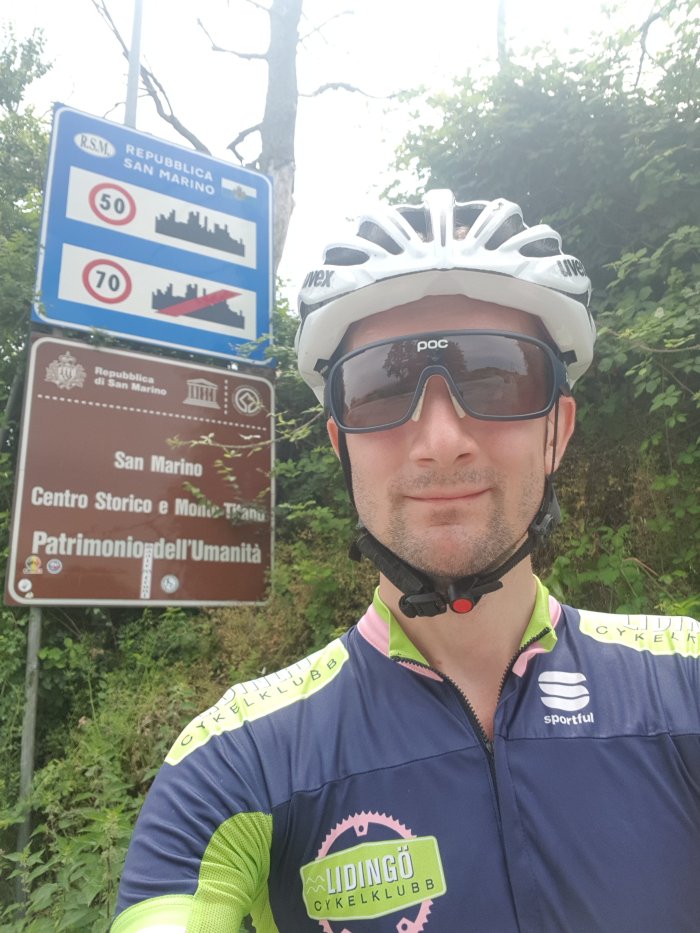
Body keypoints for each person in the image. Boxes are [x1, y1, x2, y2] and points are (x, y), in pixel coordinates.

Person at [113, 190, 700, 932]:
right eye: (382, 387)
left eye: (496, 377)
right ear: (341, 444)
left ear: (559, 428)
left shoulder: (684, 685)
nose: (442, 441)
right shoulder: (239, 759)